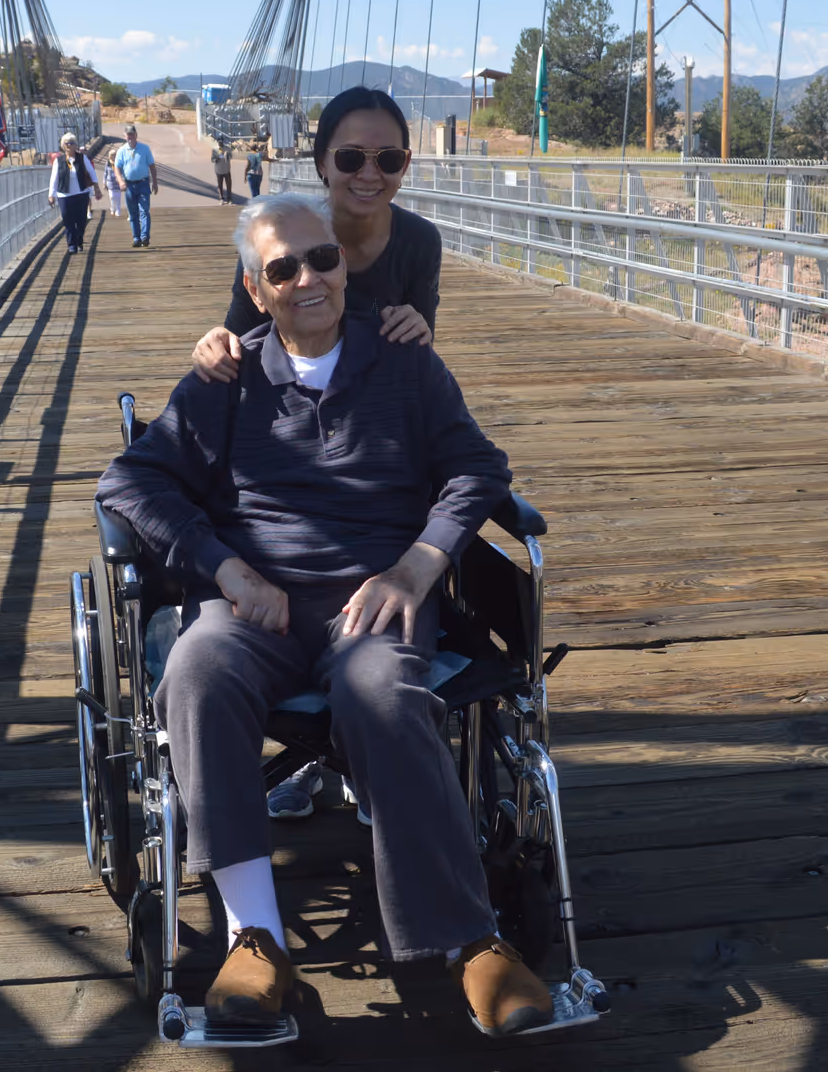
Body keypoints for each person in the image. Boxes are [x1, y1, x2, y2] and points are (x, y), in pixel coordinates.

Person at [94, 193, 556, 1038]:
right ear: (254, 287)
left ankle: (471, 941)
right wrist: (226, 567)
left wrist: (419, 564)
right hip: (252, 608)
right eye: (283, 268)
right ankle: (255, 938)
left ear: (345, 267)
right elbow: (130, 481)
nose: (309, 278)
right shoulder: (226, 380)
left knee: (382, 691)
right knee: (197, 670)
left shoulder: (406, 364)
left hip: (371, 602)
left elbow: (476, 468)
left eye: (324, 260)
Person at [189, 86, 443, 824]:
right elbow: (246, 337)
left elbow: (415, 367)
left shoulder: (418, 242)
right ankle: (336, 754)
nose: (371, 172)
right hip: (291, 446)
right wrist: (214, 343)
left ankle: (358, 752)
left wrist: (410, 326)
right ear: (321, 160)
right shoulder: (292, 234)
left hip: (372, 446)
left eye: (389, 157)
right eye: (352, 156)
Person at [49, 131, 102, 253]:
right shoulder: (59, 161)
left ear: (75, 145)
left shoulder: (82, 158)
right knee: (68, 221)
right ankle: (71, 245)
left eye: (72, 143)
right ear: (63, 145)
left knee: (81, 221)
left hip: (81, 194)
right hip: (64, 195)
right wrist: (51, 195)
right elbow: (54, 178)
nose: (69, 145)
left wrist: (97, 188)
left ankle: (79, 241)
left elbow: (92, 173)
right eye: (66, 143)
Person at [113, 122, 159, 247]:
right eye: (128, 135)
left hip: (143, 183)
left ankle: (145, 237)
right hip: (129, 185)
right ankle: (136, 237)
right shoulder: (121, 151)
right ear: (124, 136)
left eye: (132, 134)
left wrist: (155, 182)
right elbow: (117, 168)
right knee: (133, 212)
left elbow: (152, 166)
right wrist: (121, 181)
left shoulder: (145, 149)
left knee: (144, 210)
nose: (130, 137)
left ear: (136, 135)